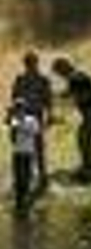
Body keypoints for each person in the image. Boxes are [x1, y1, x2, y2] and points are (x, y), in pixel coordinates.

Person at [52, 55, 91, 180]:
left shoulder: (77, 77)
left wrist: (67, 102)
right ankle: (89, 164)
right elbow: (70, 93)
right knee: (84, 137)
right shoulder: (74, 77)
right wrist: (55, 97)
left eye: (59, 72)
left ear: (64, 68)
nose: (59, 76)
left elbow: (82, 95)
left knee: (84, 136)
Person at [11, 50, 51, 192]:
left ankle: (41, 176)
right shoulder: (20, 79)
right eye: (29, 62)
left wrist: (50, 115)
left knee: (37, 146)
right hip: (23, 115)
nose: (30, 65)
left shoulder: (42, 80)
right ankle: (25, 178)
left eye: (32, 62)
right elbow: (15, 98)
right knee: (23, 148)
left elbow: (48, 99)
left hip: (34, 115)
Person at [7, 98, 41, 216]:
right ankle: (20, 203)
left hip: (27, 152)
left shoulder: (31, 120)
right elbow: (12, 136)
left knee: (26, 177)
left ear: (24, 109)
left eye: (19, 108)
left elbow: (36, 135)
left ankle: (24, 203)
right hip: (18, 152)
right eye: (17, 108)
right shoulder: (15, 120)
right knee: (19, 177)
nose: (18, 110)